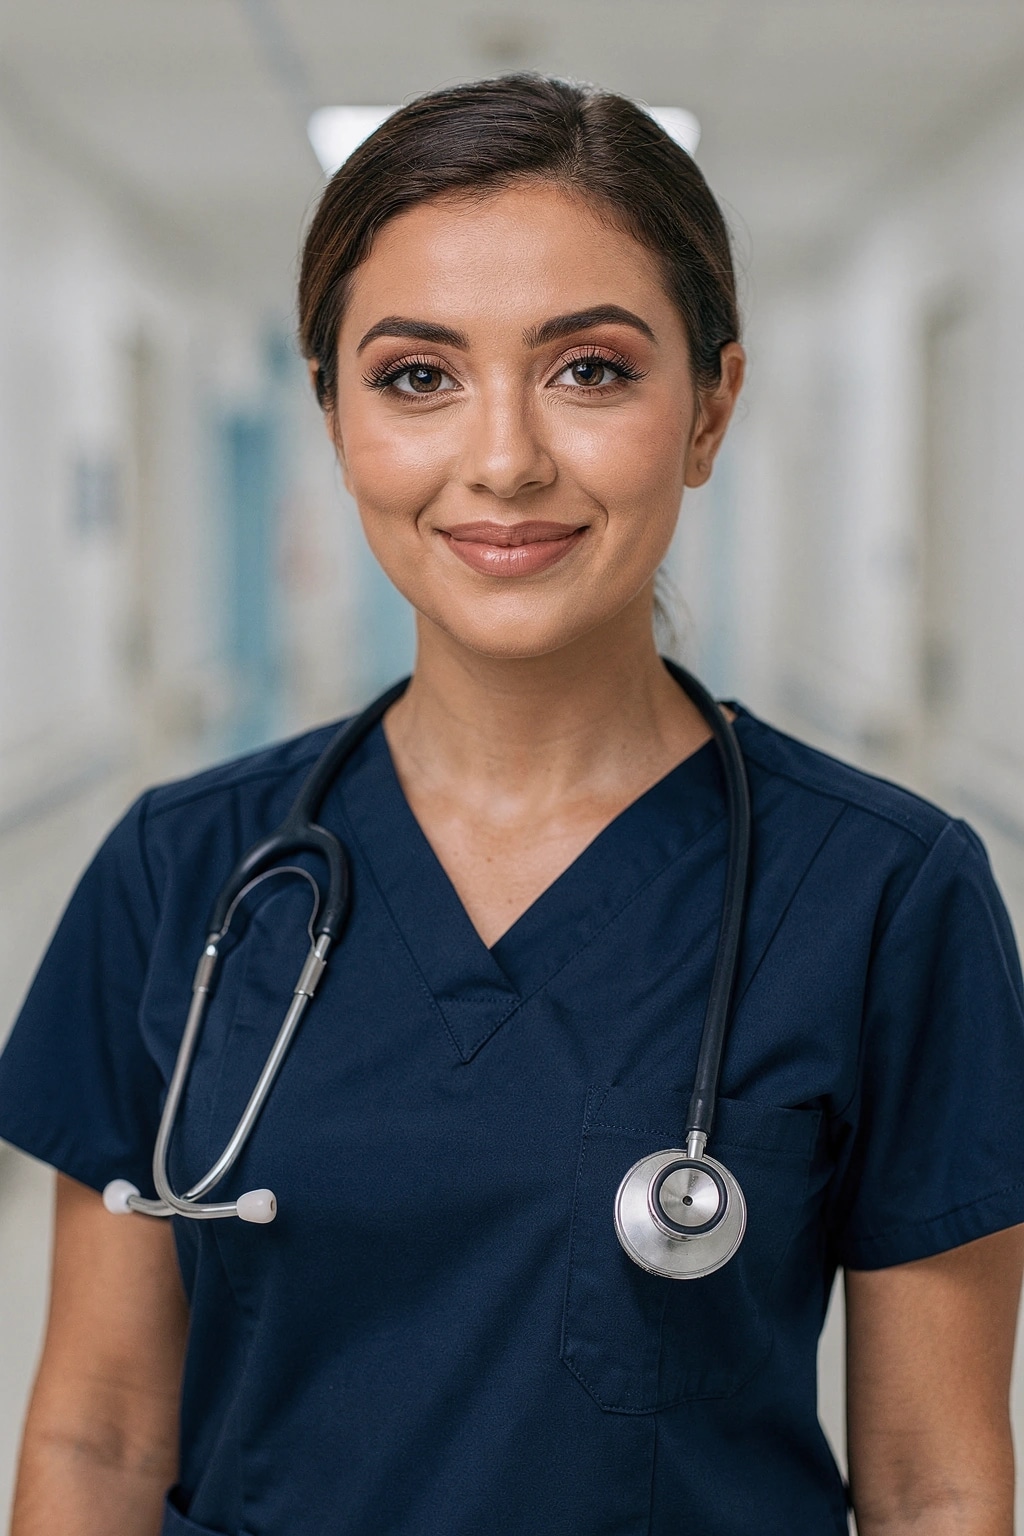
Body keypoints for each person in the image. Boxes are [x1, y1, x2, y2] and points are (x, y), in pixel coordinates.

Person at [2, 72, 1023, 1536]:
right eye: (416, 375)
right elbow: (95, 1437)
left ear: (712, 406)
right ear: (336, 415)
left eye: (590, 369)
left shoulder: (884, 892)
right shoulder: (183, 872)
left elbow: (936, 1489)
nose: (502, 459)